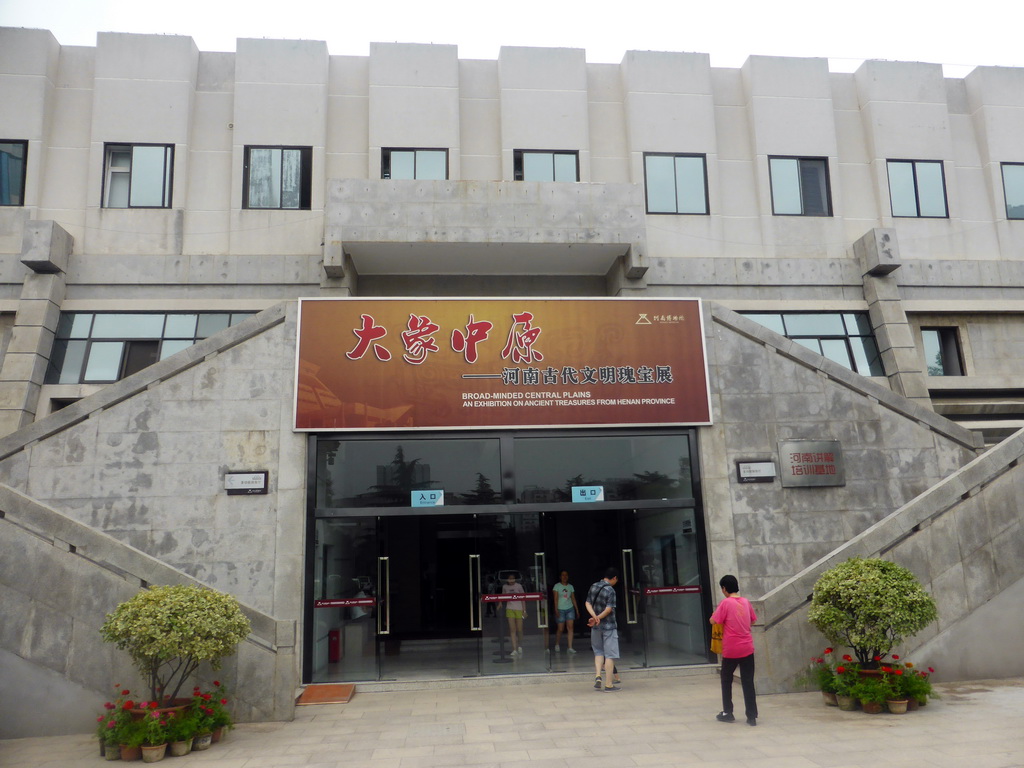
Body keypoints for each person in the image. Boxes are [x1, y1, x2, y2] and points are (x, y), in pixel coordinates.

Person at [709, 574, 758, 726]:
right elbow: (753, 620)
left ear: (724, 588)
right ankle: (751, 716)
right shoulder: (746, 602)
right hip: (747, 647)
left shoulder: (725, 603)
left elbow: (713, 620)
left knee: (726, 679)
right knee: (748, 681)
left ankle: (727, 712)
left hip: (731, 649)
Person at [585, 567, 620, 691]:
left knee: (598, 652)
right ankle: (609, 684)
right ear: (614, 578)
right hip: (609, 626)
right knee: (610, 655)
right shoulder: (610, 590)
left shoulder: (594, 586)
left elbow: (587, 603)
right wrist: (598, 617)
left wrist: (594, 618)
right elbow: (609, 609)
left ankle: (598, 675)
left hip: (596, 627)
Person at [552, 570, 579, 653]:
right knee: (560, 628)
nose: (564, 577)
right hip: (560, 609)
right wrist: (556, 609)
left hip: (570, 608)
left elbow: (573, 598)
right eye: (563, 575)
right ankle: (557, 644)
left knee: (570, 628)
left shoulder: (571, 587)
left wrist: (577, 609)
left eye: (566, 575)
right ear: (560, 577)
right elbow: (555, 599)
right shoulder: (556, 586)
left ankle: (570, 647)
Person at [502, 572, 526, 657]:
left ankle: (520, 646)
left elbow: (523, 598)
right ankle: (514, 649)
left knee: (519, 629)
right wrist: (500, 603)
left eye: (513, 578)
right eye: (510, 578)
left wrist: (524, 610)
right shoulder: (505, 587)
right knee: (512, 630)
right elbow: (503, 597)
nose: (511, 580)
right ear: (507, 579)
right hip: (510, 609)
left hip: (519, 609)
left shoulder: (519, 586)